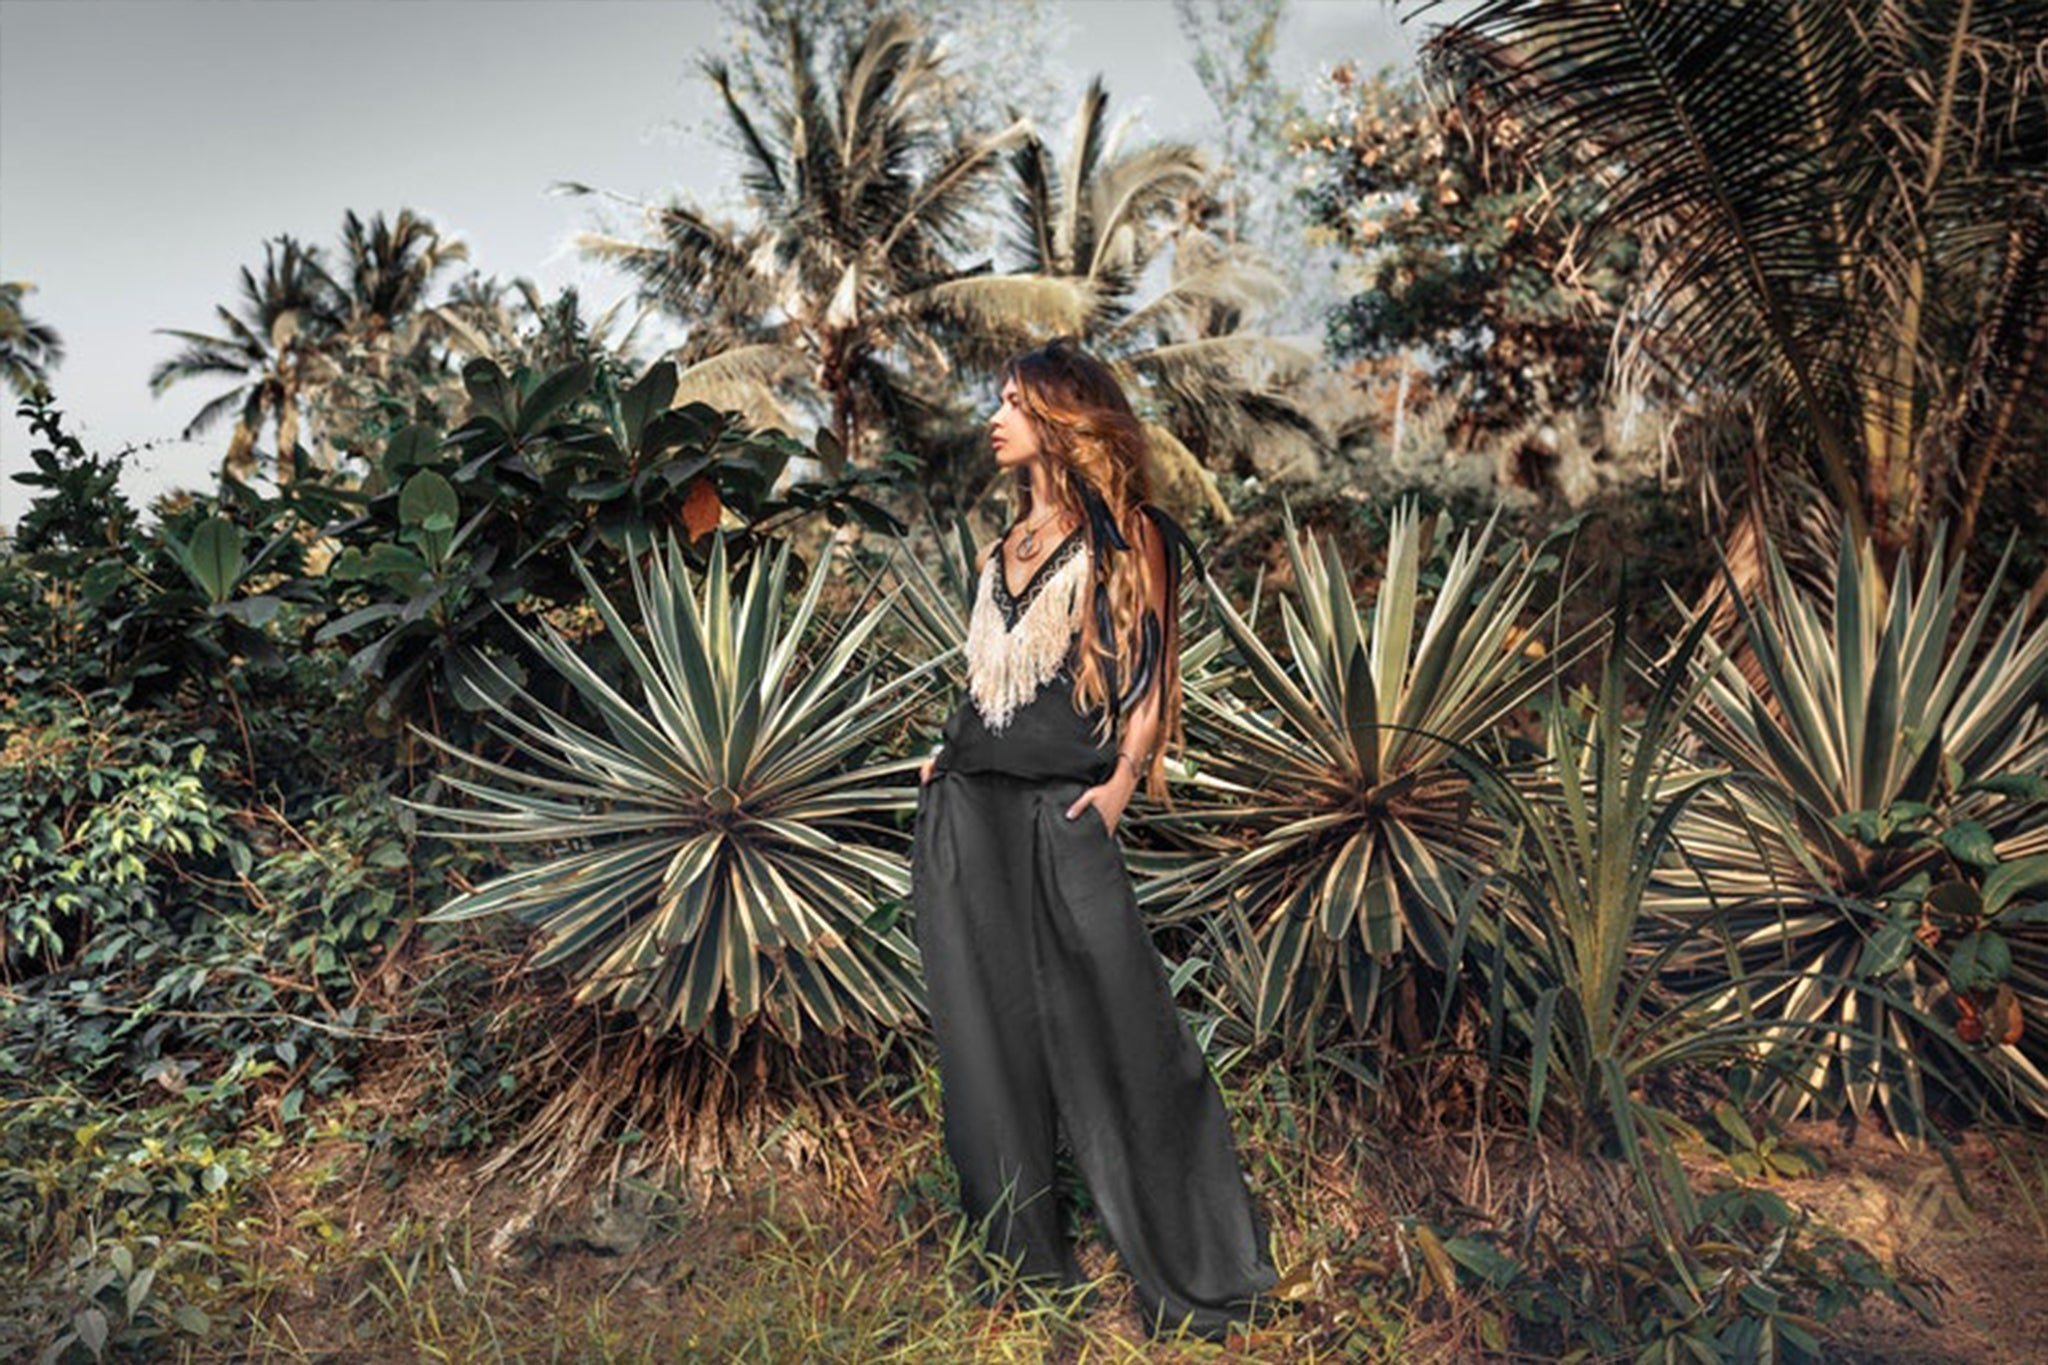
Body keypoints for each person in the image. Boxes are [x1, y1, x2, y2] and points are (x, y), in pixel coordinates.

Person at [909, 337, 1284, 1342]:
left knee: (1126, 1033)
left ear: (1062, 416)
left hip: (1061, 811)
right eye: (997, 400)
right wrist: (944, 756)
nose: (994, 418)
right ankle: (1021, 1272)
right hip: (966, 812)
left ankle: (1199, 1264)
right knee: (986, 1046)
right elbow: (987, 686)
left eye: (1013, 402)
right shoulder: (1002, 544)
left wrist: (1121, 782)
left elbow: (1152, 679)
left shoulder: (1131, 535)